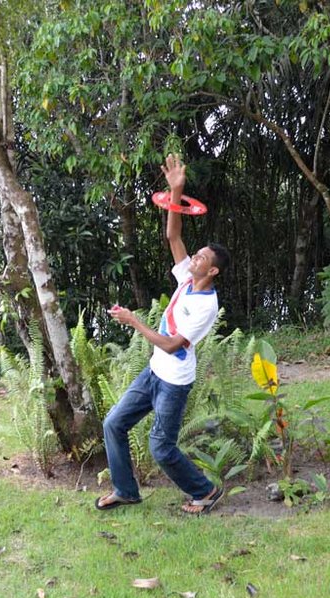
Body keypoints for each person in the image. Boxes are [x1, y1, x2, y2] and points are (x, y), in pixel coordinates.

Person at [95, 154, 231, 515]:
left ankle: (206, 491)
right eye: (196, 255)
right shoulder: (187, 278)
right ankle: (126, 491)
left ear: (213, 271)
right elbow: (173, 234)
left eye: (201, 259)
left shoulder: (206, 306)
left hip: (174, 381)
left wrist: (134, 321)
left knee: (161, 447)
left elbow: (172, 345)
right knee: (114, 423)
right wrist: (176, 192)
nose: (194, 259)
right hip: (154, 371)